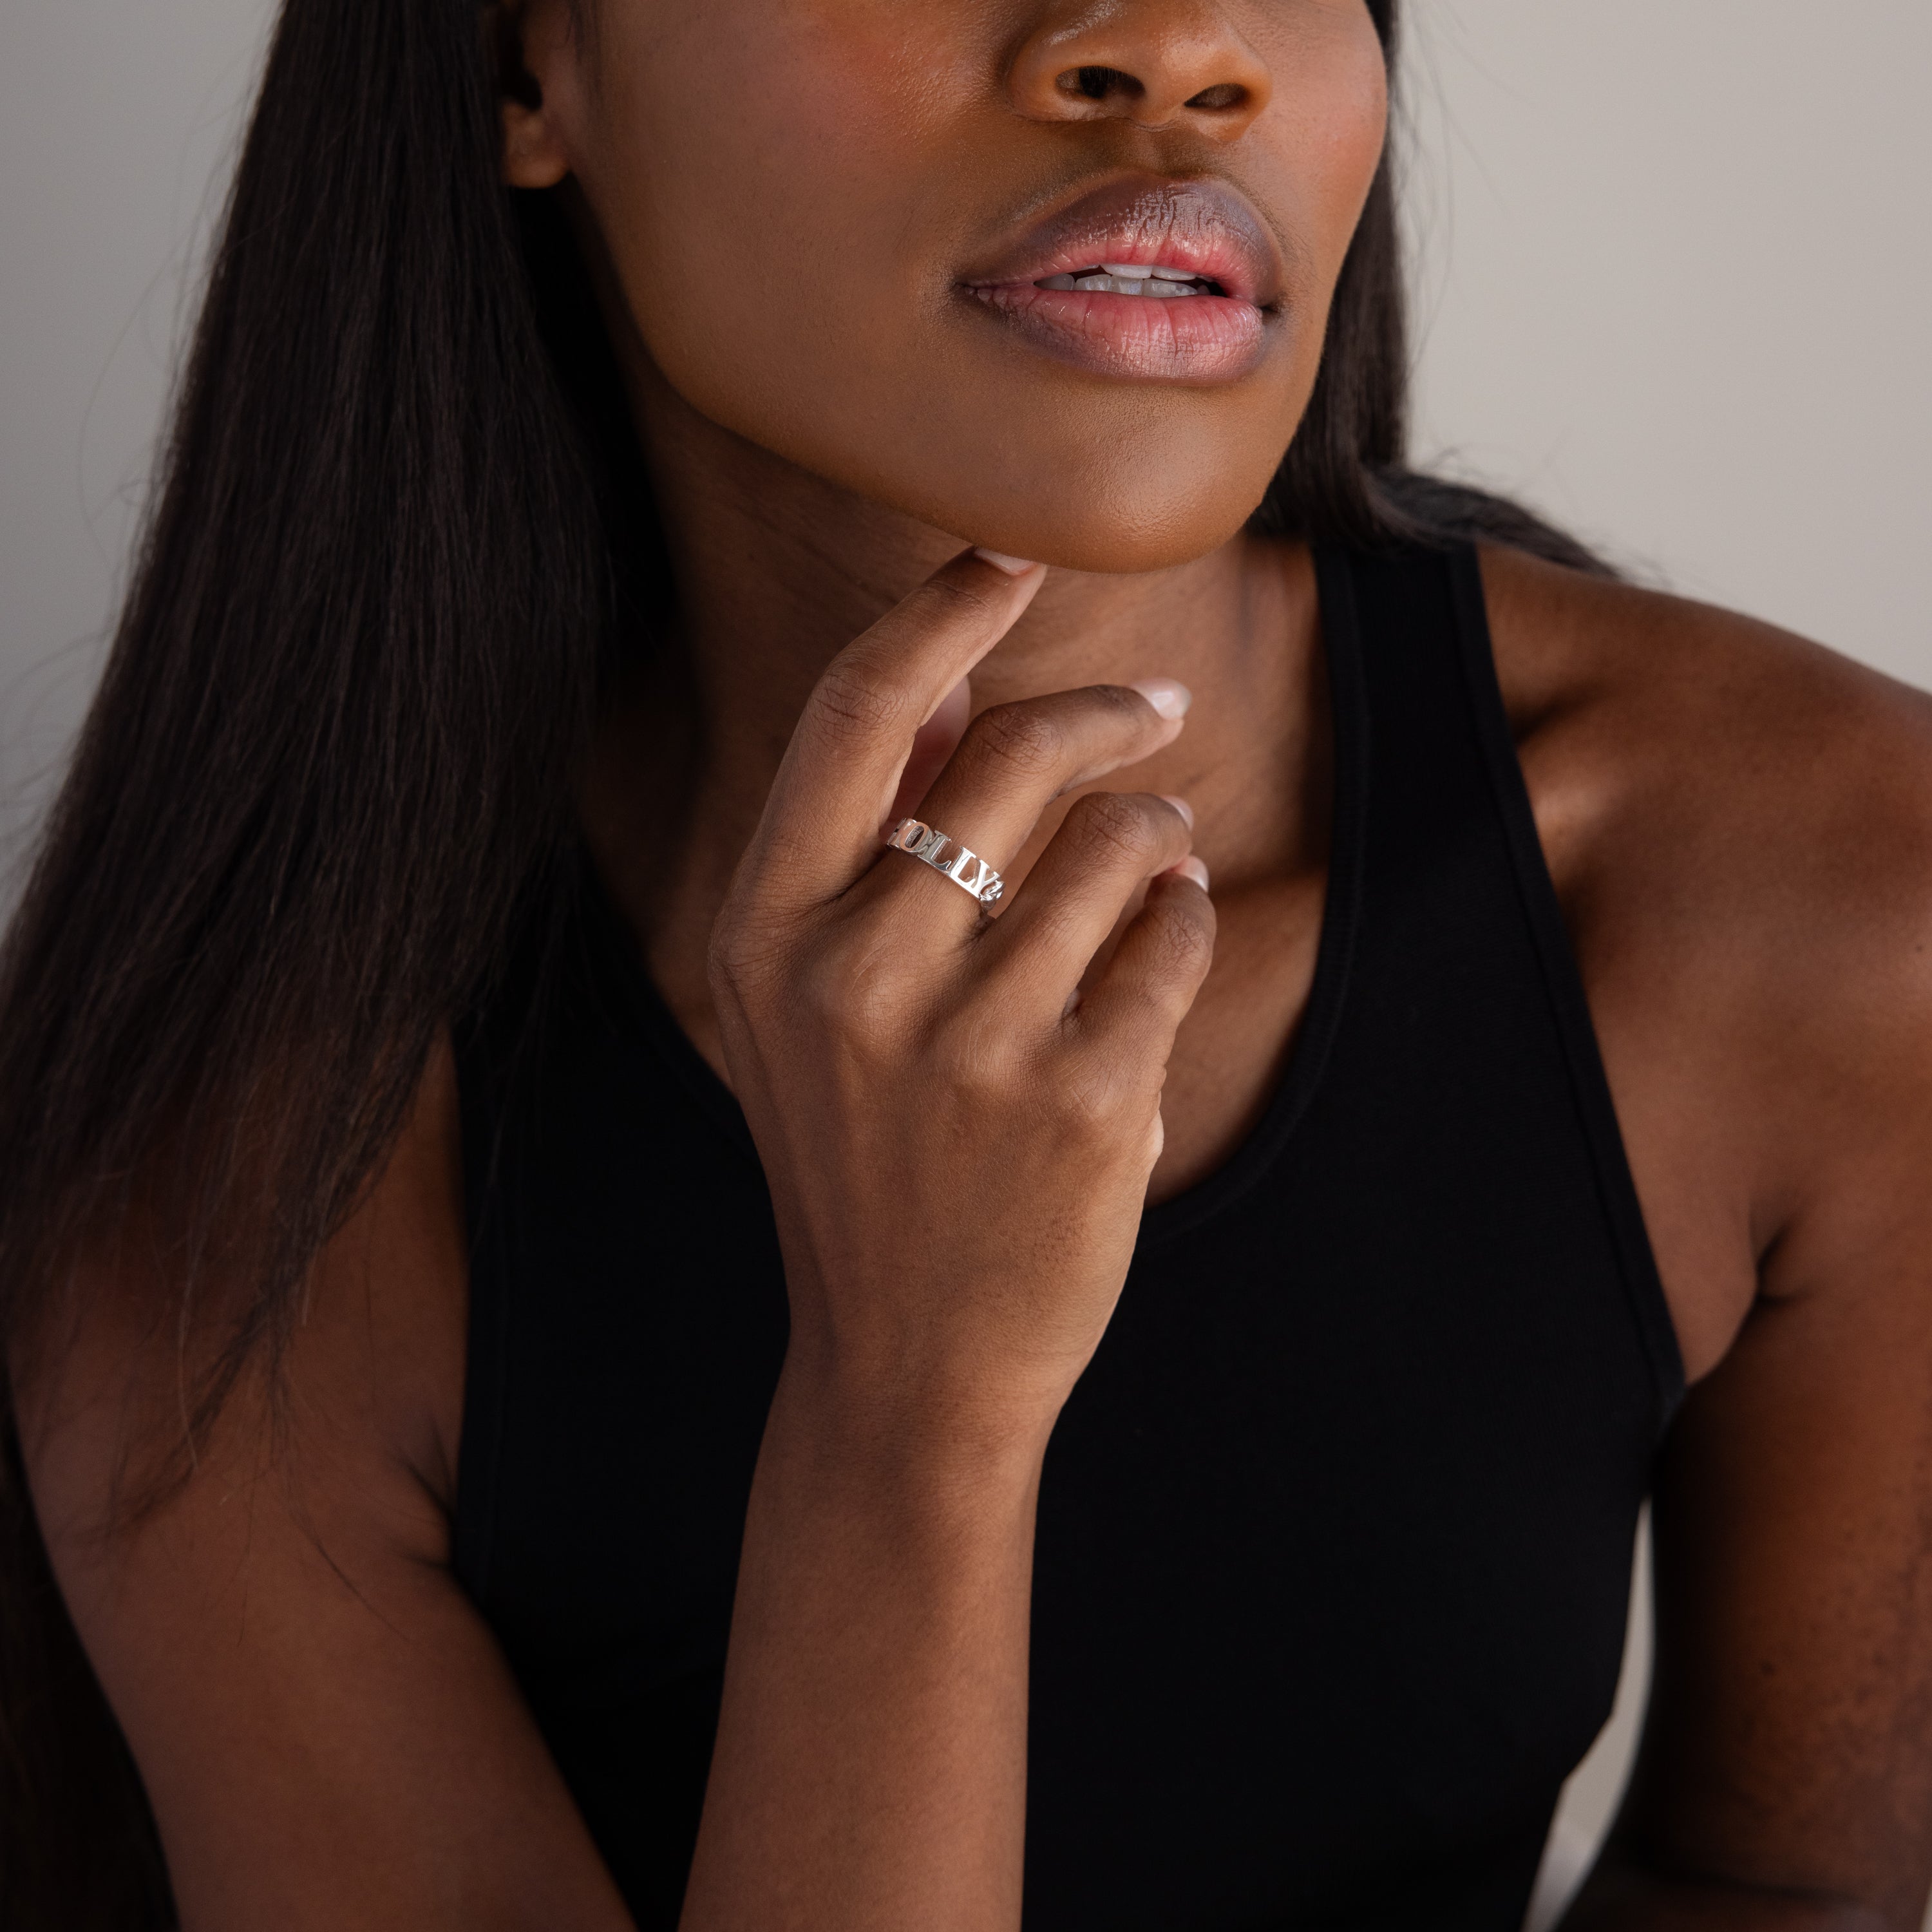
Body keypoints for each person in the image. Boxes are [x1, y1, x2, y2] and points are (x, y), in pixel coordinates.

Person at [4, 1, 1931, 1927]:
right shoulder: (239, 1182)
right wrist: (910, 1417)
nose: (1183, 48)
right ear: (531, 69)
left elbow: (1788, 1882)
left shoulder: (1829, 899)